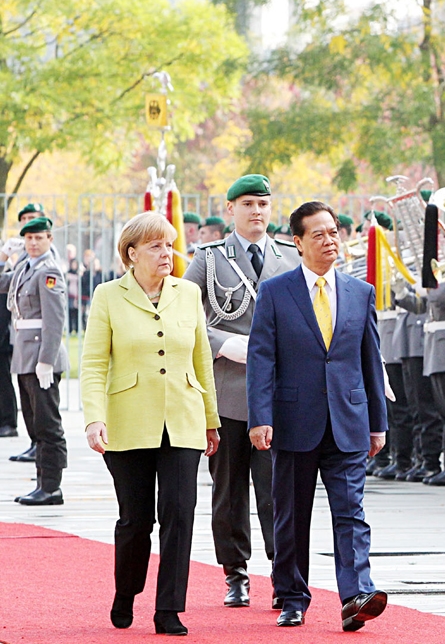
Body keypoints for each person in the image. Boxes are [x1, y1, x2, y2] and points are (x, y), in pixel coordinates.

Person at [247, 201, 389, 631]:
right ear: (298, 242)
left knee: (352, 513)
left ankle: (356, 596)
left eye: (334, 232)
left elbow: (371, 362)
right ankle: (293, 596)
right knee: (292, 516)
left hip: (349, 421)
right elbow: (261, 359)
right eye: (319, 234)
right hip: (294, 422)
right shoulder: (276, 292)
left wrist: (378, 423)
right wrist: (260, 417)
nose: (330, 241)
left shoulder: (360, 292)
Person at [81, 211, 221, 635]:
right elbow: (93, 363)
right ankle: (126, 592)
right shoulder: (108, 295)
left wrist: (210, 420)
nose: (167, 253)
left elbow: (201, 359)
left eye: (170, 245)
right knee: (136, 520)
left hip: (183, 419)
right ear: (132, 253)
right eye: (156, 246)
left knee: (179, 513)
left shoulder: (188, 292)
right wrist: (94, 418)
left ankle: (168, 608)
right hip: (127, 421)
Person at [184, 174, 300, 608]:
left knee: (278, 490)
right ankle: (235, 572)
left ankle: (282, 571)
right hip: (229, 388)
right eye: (248, 204)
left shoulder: (291, 256)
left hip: (278, 392)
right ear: (230, 209)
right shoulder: (209, 258)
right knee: (229, 489)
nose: (256, 211)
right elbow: (184, 314)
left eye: (263, 204)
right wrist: (220, 342)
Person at [0, 217, 70, 504]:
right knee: (34, 424)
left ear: (49, 239)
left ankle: (51, 486)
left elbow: (55, 320)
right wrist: (3, 256)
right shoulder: (24, 267)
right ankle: (42, 483)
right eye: (28, 238)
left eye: (39, 238)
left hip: (42, 357)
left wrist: (47, 360)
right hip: (25, 356)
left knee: (47, 425)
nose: (32, 243)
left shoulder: (48, 271)